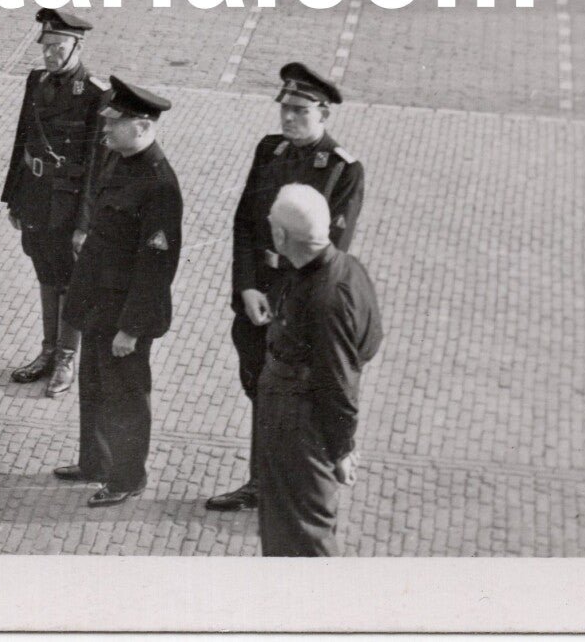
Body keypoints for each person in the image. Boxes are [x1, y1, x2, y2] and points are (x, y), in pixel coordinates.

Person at [207, 63, 366, 513]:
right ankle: (262, 482)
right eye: (285, 108)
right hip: (257, 301)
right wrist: (247, 288)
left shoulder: (342, 171)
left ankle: (294, 487)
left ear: (324, 114)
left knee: (298, 398)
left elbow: (327, 253)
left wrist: (281, 304)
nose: (288, 118)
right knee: (260, 390)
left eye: (299, 110)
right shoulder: (270, 151)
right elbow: (244, 223)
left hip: (297, 309)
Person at [53, 76, 182, 507]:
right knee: (93, 385)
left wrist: (131, 328)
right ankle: (95, 464)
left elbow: (156, 267)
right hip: (97, 301)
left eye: (115, 123)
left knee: (125, 397)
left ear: (143, 126)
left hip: (126, 311)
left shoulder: (160, 184)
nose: (105, 130)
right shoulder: (119, 160)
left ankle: (127, 477)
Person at [254, 183, 384, 556]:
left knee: (302, 533)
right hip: (296, 413)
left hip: (299, 424)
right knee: (287, 526)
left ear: (281, 235)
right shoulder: (346, 268)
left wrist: (341, 449)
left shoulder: (326, 298)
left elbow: (339, 384)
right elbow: (371, 339)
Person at [1, 8, 108, 398]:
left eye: (57, 47)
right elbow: (22, 139)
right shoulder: (36, 81)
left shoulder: (96, 92)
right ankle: (48, 351)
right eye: (45, 47)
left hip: (68, 203)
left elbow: (96, 165)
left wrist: (84, 223)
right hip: (35, 194)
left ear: (77, 45)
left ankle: (66, 357)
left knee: (71, 280)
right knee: (45, 274)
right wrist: (13, 195)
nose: (49, 55)